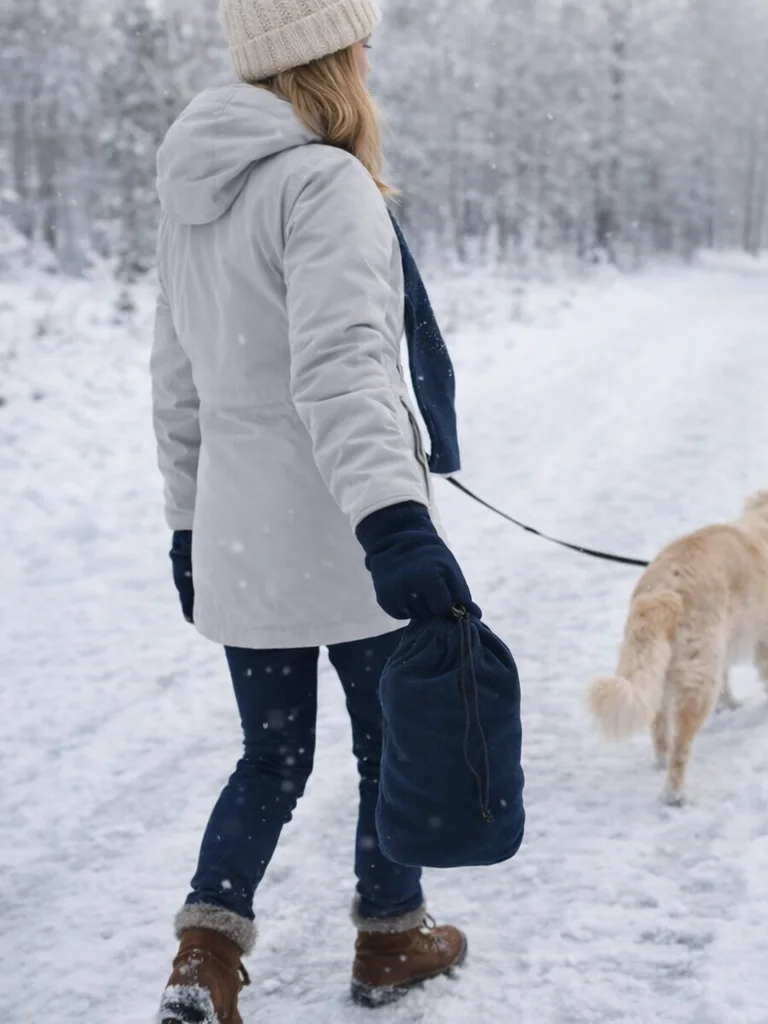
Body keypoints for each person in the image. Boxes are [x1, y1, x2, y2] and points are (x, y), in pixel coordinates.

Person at [152, 1, 475, 1019]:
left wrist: (187, 525)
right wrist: (396, 523)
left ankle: (204, 957)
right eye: (360, 38)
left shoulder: (192, 191)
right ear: (328, 54)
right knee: (390, 744)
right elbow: (344, 375)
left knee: (273, 753)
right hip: (343, 531)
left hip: (242, 532)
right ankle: (389, 941)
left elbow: (175, 382)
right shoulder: (324, 180)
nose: (371, 54)